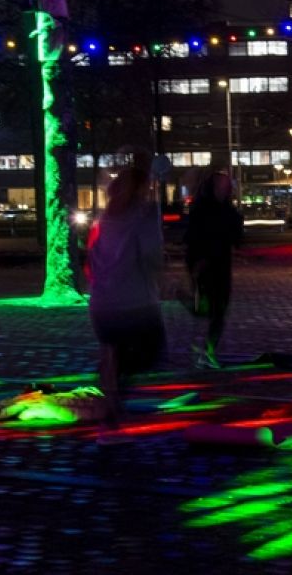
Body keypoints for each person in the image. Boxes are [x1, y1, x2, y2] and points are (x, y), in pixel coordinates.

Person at [86, 165, 166, 443]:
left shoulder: (103, 218)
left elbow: (91, 257)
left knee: (112, 354)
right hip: (134, 301)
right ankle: (110, 410)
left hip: (102, 302)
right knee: (149, 352)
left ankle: (110, 416)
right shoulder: (143, 217)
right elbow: (152, 257)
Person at [185, 172, 243, 369]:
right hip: (205, 265)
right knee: (212, 308)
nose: (229, 188)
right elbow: (193, 237)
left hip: (221, 264)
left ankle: (207, 348)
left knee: (219, 309)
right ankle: (205, 349)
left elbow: (236, 237)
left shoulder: (227, 209)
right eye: (225, 185)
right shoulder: (202, 208)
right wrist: (194, 263)